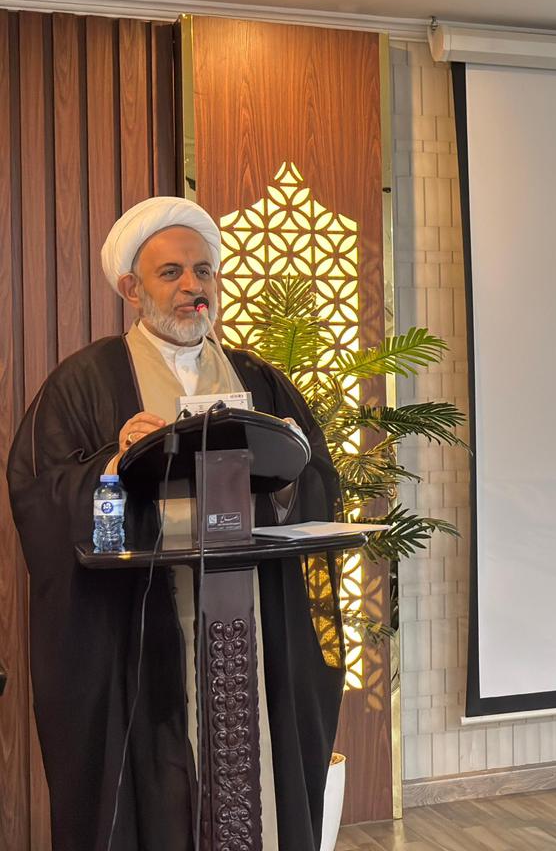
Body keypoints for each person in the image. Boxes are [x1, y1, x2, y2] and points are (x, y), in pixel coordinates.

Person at [7, 196, 344, 851]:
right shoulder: (86, 381)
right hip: (142, 629)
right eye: (172, 273)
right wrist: (114, 463)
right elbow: (40, 492)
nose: (194, 286)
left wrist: (285, 469)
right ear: (132, 289)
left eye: (203, 270)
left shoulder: (259, 379)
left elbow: (316, 480)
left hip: (251, 615)